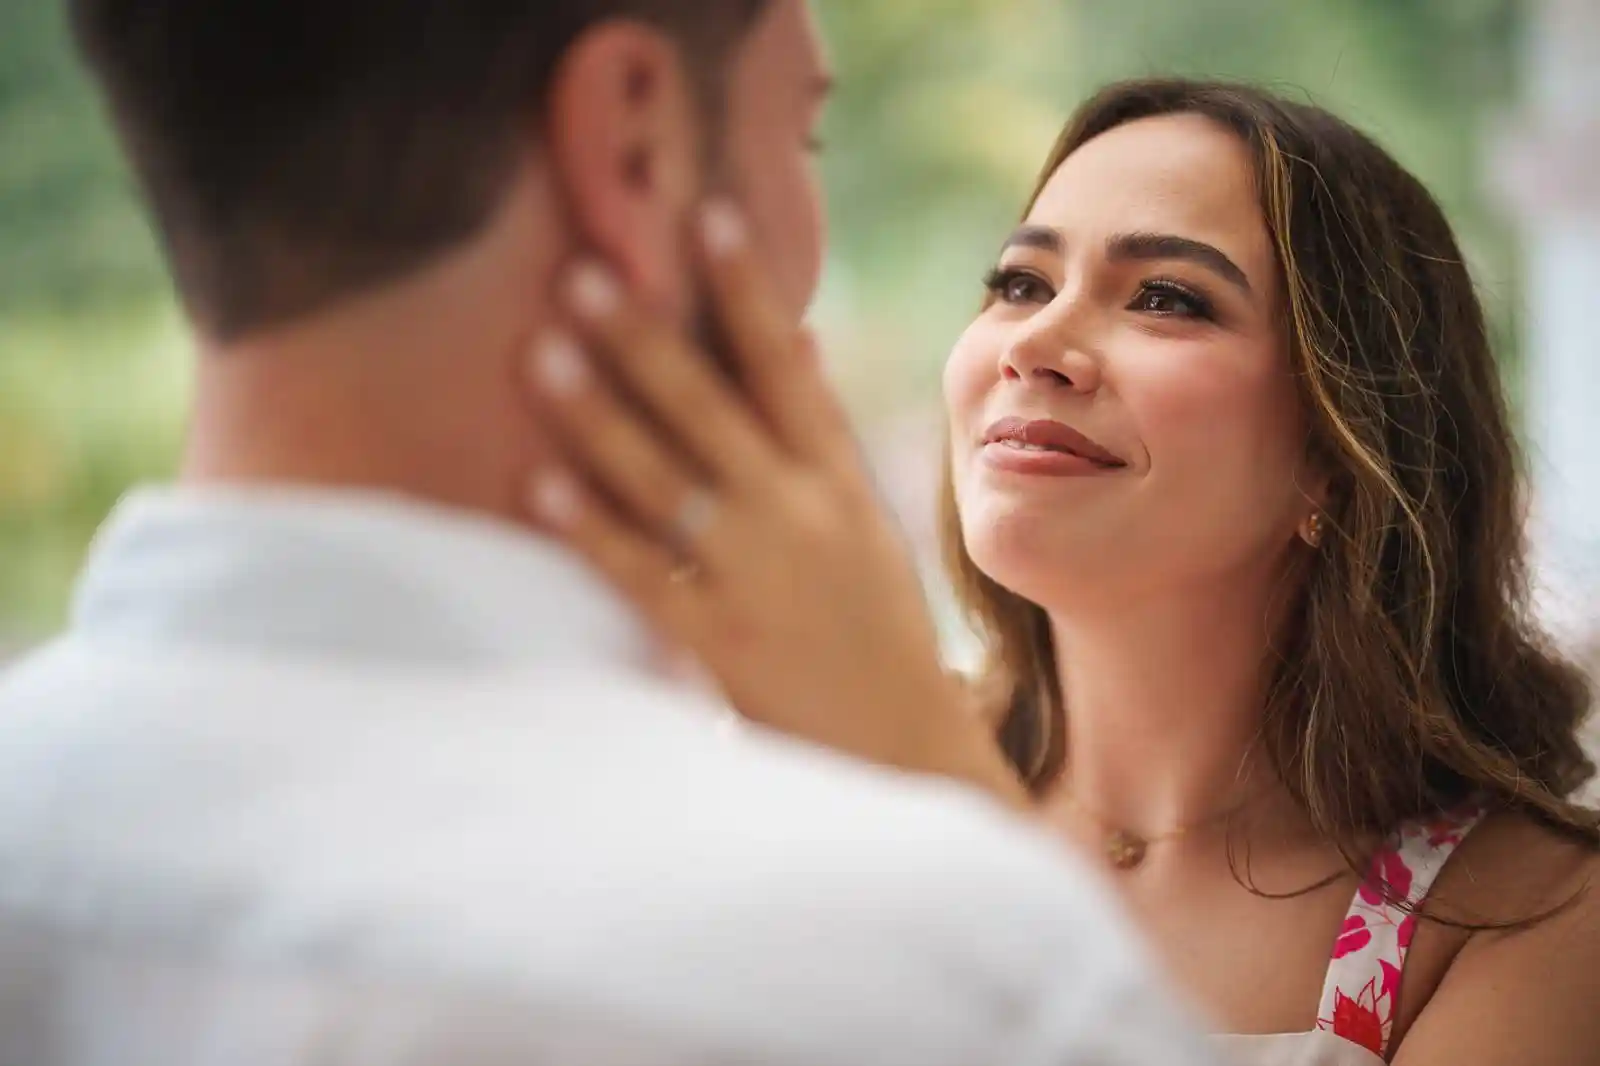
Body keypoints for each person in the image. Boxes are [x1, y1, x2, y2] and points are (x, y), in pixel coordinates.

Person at [0, 5, 1219, 1065]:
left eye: (1168, 297)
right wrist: (955, 824)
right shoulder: (946, 972)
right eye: (801, 137)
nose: (1032, 345)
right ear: (631, 141)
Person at [519, 78, 1600, 1064]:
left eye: (1167, 298)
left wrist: (931, 793)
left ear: (1338, 448)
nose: (1034, 343)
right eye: (1019, 281)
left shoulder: (1530, 914)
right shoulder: (797, 774)